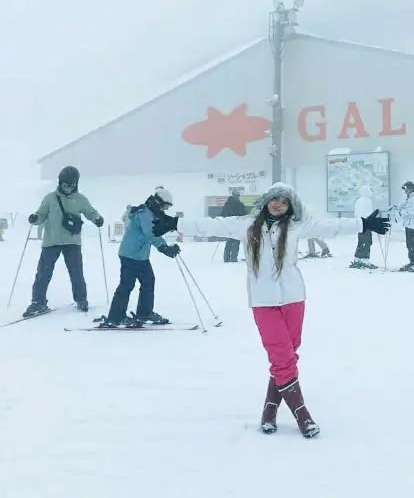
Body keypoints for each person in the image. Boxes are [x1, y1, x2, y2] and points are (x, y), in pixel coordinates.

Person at [156, 182, 391, 438]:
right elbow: (211, 225)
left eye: (284, 201)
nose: (278, 204)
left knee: (286, 356)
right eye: (274, 199)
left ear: (291, 206)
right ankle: (302, 414)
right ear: (267, 201)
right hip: (263, 301)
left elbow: (330, 226)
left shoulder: (297, 225)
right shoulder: (246, 225)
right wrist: (174, 224)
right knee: (282, 357)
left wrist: (363, 224)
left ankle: (269, 409)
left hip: (293, 298)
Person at [23, 166, 104, 317]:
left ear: (76, 184)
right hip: (51, 241)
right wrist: (35, 218)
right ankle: (38, 302)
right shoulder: (50, 198)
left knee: (76, 272)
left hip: (72, 242)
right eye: (65, 184)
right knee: (43, 272)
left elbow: (90, 212)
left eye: (71, 185)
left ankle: (81, 299)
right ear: (60, 182)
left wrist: (97, 218)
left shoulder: (80, 199)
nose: (67, 187)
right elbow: (41, 214)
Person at [97, 188, 181, 328]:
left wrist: (167, 245)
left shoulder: (151, 213)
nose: (166, 209)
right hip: (130, 255)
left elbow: (157, 230)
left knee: (148, 282)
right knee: (126, 285)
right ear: (159, 202)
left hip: (140, 256)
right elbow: (150, 234)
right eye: (166, 206)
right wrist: (164, 248)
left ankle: (144, 313)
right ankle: (115, 318)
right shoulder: (144, 214)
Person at [393, 181, 414, 272]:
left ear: (410, 188)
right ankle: (412, 262)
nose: (405, 191)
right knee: (409, 245)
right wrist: (395, 207)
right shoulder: (411, 197)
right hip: (409, 224)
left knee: (413, 245)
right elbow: (404, 205)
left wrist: (401, 213)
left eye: (406, 189)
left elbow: (412, 210)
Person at [350, 185, 376, 269]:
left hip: (359, 224)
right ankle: (365, 259)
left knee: (361, 241)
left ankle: (358, 258)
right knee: (367, 241)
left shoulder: (358, 200)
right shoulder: (368, 201)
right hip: (367, 224)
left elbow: (356, 213)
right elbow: (369, 213)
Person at [220, 189, 247, 262]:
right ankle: (233, 258)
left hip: (228, 225)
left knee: (229, 242)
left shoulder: (227, 204)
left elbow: (222, 214)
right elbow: (244, 215)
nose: (238, 197)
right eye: (238, 196)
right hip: (236, 226)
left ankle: (226, 258)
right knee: (235, 242)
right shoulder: (240, 204)